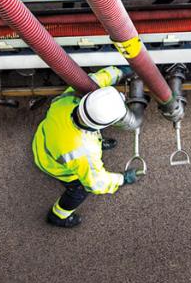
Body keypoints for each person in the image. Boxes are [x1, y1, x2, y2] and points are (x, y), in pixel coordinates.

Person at [33, 66, 138, 228]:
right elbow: (97, 183)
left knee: (90, 137)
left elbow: (96, 79)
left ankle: (100, 143)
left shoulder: (68, 99)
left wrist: (120, 72)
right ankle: (58, 216)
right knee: (80, 190)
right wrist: (122, 179)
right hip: (53, 165)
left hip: (44, 142)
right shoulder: (84, 153)